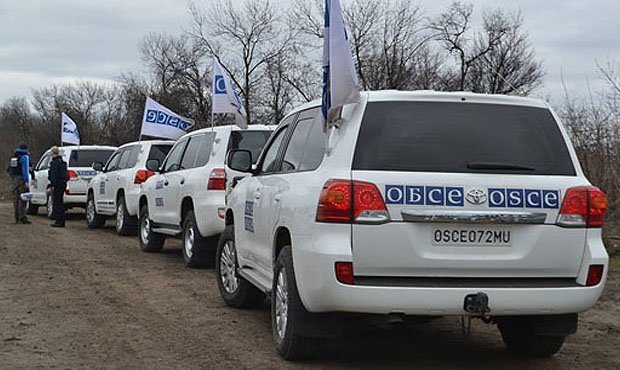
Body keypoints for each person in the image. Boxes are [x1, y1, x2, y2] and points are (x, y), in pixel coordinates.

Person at [7, 144, 31, 224]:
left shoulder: (14, 157)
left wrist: (13, 178)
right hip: (21, 180)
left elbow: (9, 169)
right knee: (23, 198)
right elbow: (25, 170)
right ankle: (23, 217)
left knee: (16, 199)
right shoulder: (25, 157)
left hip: (14, 180)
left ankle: (16, 217)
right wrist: (26, 180)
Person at [48, 146, 68, 227]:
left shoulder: (54, 163)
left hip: (57, 185)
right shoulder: (63, 163)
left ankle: (58, 221)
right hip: (62, 184)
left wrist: (51, 186)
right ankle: (61, 221)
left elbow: (54, 176)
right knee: (60, 203)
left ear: (53, 153)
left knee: (57, 203)